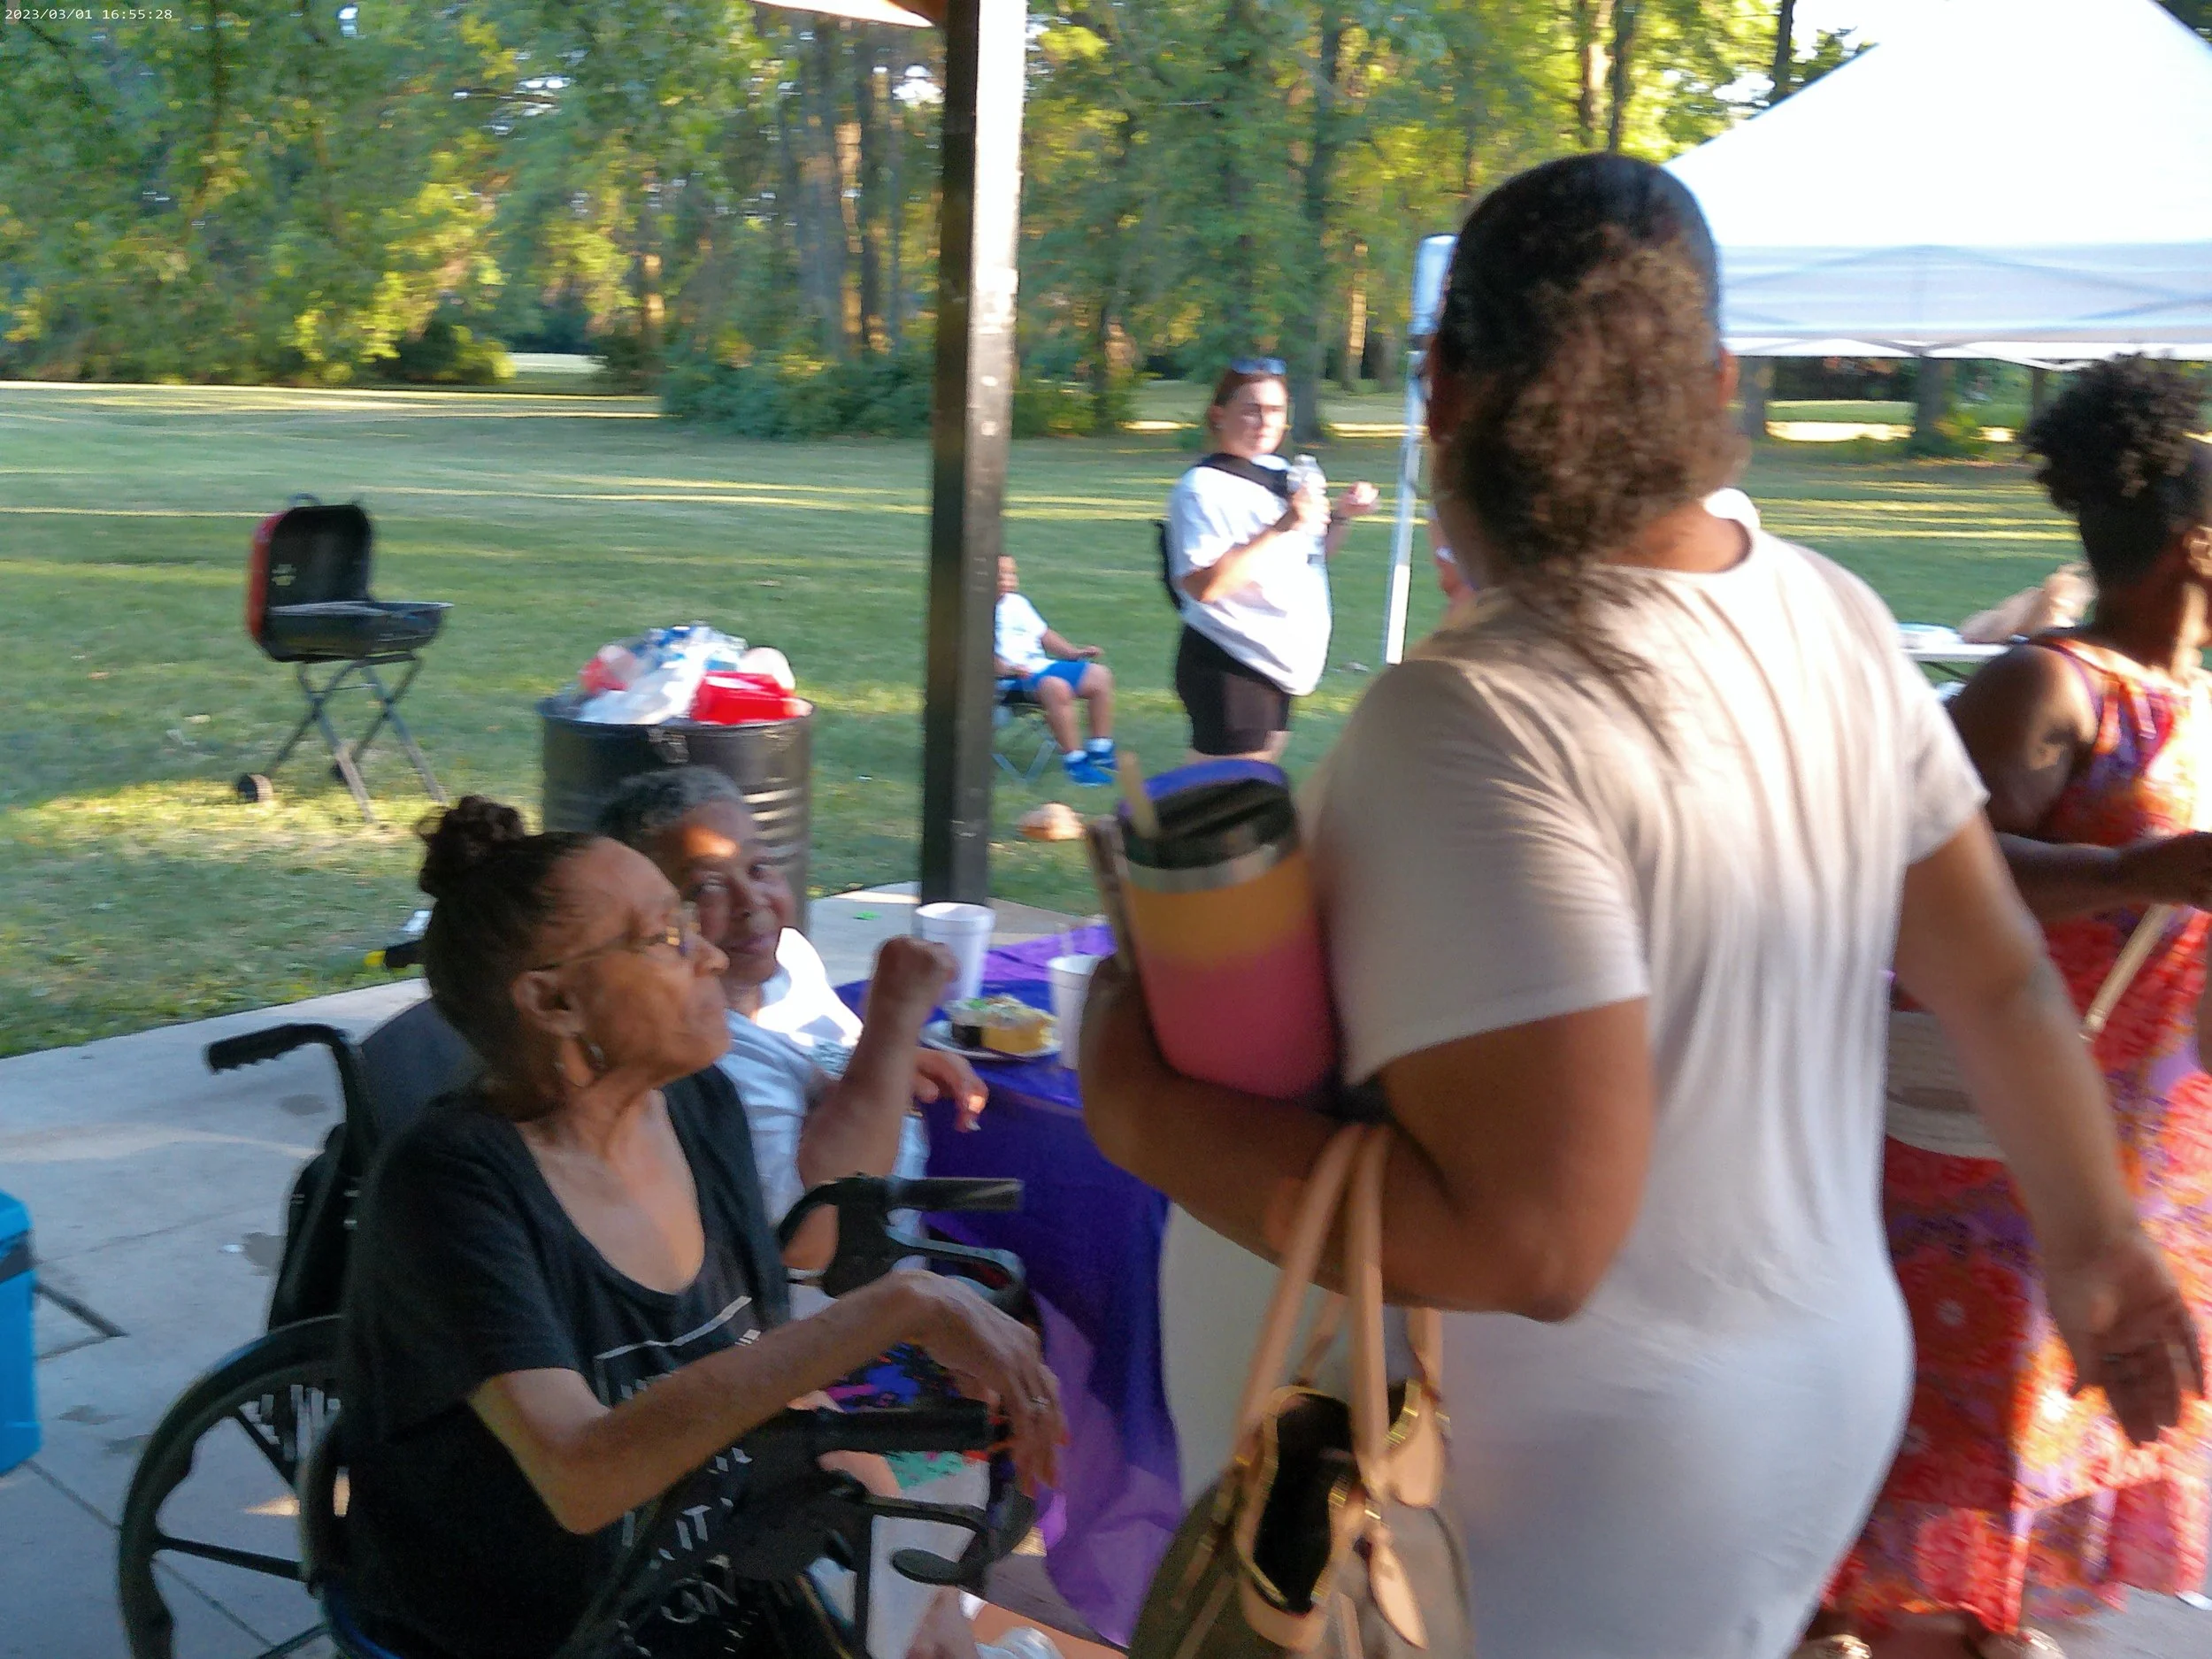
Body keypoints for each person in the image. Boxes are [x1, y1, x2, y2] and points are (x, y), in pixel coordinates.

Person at [1078, 156, 2201, 1659]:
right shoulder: (1828, 614)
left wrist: (1137, 1110)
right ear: (1720, 384)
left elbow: (1537, 1242)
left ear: (1441, 386)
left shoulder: (1477, 711)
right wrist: (2093, 1238)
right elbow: (1994, 978)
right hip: (1791, 1398)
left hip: (1559, 1496)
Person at [341, 796, 1063, 1659]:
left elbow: (757, 1371)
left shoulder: (695, 1105)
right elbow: (581, 1472)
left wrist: (905, 1554)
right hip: (551, 1633)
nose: (711, 956)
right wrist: (894, 1307)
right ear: (554, 999)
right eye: (667, 937)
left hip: (712, 1583)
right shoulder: (451, 1185)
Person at [1824, 357, 2212, 1658]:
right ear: (2197, 546)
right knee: (1958, 1455)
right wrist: (2134, 870)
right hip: (1988, 1160)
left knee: (2055, 1457)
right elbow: (1930, 872)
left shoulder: (2192, 701)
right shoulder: (2051, 687)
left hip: (2137, 1155)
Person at [597, 767, 986, 1275]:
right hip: (842, 1311)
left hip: (912, 1264)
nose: (751, 902)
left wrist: (890, 1063)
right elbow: (814, 1242)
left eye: (759, 867)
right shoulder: (696, 1057)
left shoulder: (790, 961)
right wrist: (892, 1025)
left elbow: (837, 1078)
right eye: (706, 887)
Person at [1164, 360, 1379, 762]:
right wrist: (1283, 525)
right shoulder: (1201, 488)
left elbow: (1310, 557)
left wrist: (1343, 515)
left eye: (1276, 410)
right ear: (1218, 414)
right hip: (1231, 659)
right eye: (1252, 409)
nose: (1266, 421)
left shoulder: (1279, 470)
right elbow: (1204, 586)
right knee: (1229, 791)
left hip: (1277, 660)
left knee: (1245, 787)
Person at [995, 557, 1116, 786]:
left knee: (1100, 676)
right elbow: (980, 657)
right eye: (1001, 575)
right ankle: (1075, 762)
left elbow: (1044, 634)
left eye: (1011, 574)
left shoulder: (1017, 603)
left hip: (1039, 667)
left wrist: (1074, 653)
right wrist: (1010, 668)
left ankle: (1100, 749)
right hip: (1009, 680)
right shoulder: (976, 611)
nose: (1008, 580)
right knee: (1056, 687)